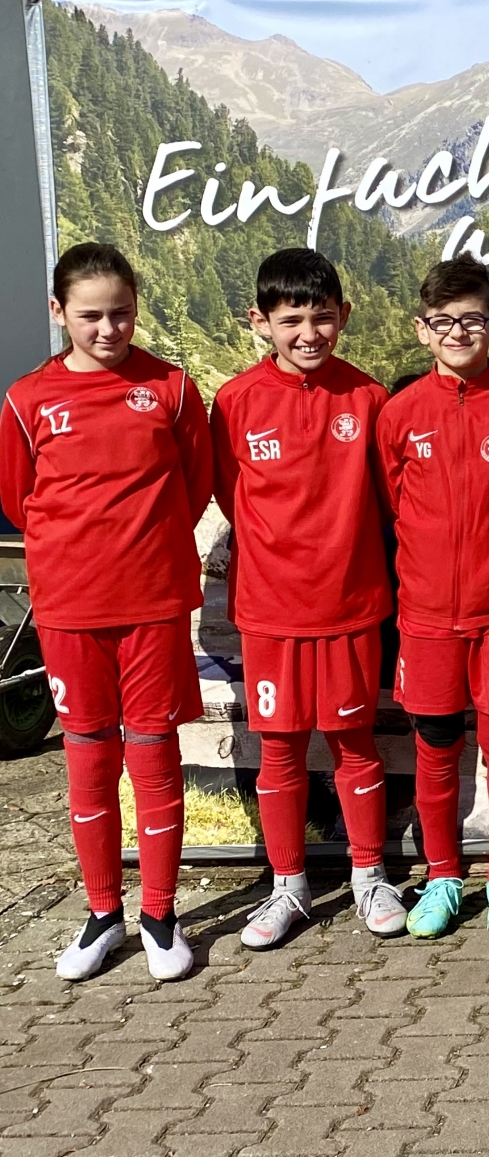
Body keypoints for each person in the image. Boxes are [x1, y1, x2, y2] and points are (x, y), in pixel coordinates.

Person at [0, 243, 210, 981]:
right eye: (90, 315)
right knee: (89, 757)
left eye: (122, 312)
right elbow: (18, 498)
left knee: (152, 753)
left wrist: (142, 547)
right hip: (69, 608)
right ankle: (102, 914)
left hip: (153, 604)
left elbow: (196, 484)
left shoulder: (171, 388)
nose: (108, 328)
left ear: (137, 307)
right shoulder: (28, 399)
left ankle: (160, 914)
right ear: (59, 312)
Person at [211, 248, 406, 950]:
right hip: (271, 612)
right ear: (260, 321)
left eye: (322, 317)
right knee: (281, 749)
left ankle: (370, 875)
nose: (308, 333)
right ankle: (288, 885)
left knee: (354, 743)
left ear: (343, 316)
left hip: (350, 606)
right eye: (292, 320)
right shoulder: (234, 401)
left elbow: (389, 499)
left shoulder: (368, 398)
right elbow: (229, 493)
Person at [377, 256, 489, 939]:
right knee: (436, 747)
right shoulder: (399, 415)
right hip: (426, 617)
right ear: (422, 329)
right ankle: (443, 875)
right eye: (443, 321)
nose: (458, 332)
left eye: (472, 319)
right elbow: (393, 499)